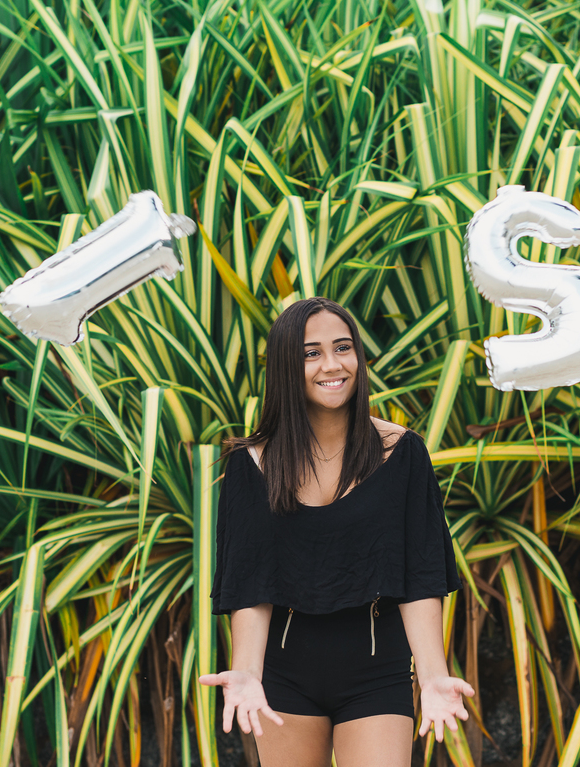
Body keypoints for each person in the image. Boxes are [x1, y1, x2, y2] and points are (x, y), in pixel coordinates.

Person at [198, 297, 474, 767]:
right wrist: (246, 672)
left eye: (343, 348)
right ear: (286, 365)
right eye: (312, 353)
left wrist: (432, 676)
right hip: (284, 675)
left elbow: (420, 574)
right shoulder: (252, 464)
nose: (332, 364)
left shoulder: (402, 452)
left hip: (377, 670)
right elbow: (250, 583)